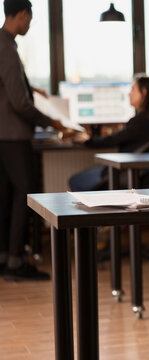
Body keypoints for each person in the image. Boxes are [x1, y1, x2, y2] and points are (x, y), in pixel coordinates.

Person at [0, 0, 68, 281]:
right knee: (26, 195)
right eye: (30, 19)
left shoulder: (3, 44)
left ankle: (5, 258)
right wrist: (50, 121)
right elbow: (18, 102)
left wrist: (30, 89)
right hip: (13, 135)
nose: (29, 24)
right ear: (23, 15)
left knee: (5, 196)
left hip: (2, 136)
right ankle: (16, 264)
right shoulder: (6, 47)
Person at [69, 75, 149, 191]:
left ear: (144, 92)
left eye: (133, 89)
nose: (129, 94)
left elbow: (112, 140)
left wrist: (88, 140)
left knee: (75, 180)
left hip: (127, 174)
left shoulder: (139, 122)